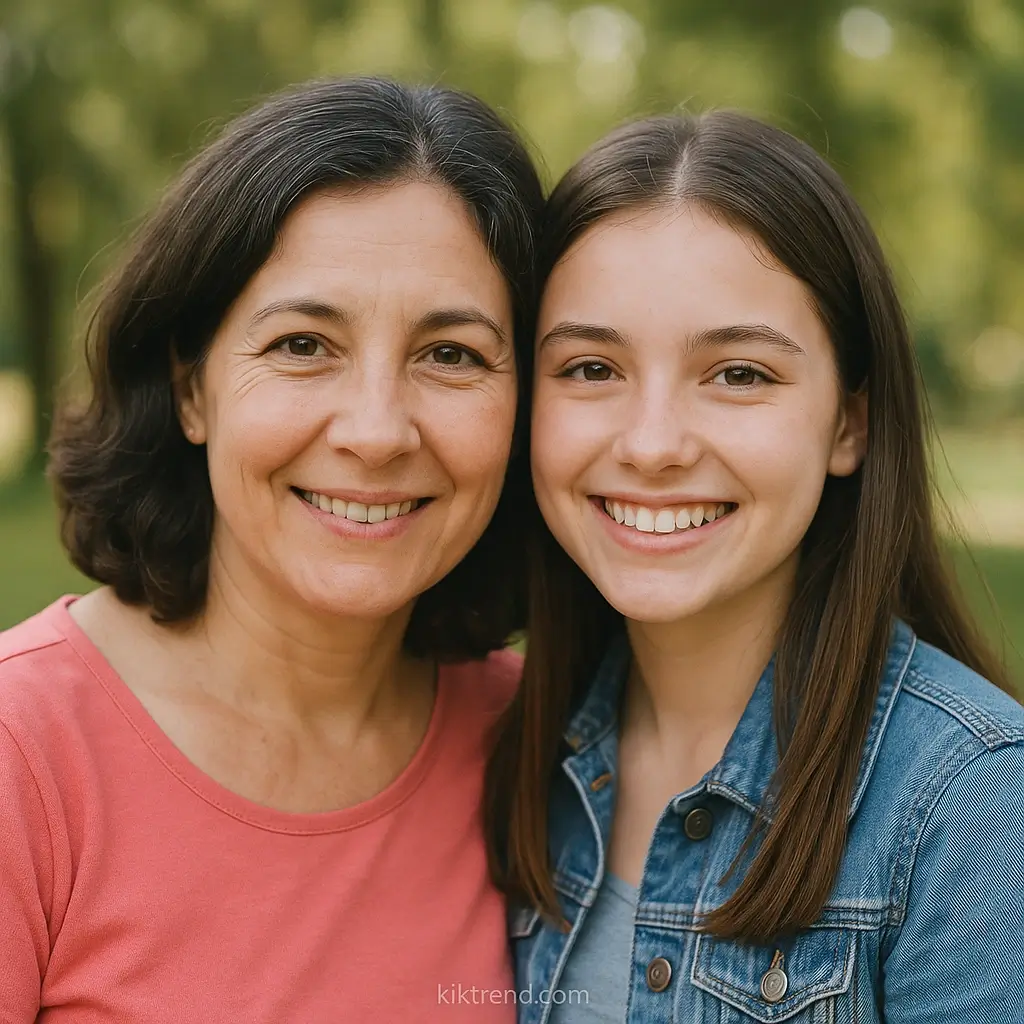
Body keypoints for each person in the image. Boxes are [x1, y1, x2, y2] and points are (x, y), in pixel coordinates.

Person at [0, 77, 543, 1022]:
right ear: (192, 389)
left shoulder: (545, 751)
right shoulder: (24, 758)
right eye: (302, 344)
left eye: (451, 354)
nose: (377, 432)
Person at [487, 111, 1024, 1024]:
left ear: (848, 423)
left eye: (738, 374)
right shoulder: (513, 757)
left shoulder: (973, 807)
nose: (653, 445)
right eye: (589, 368)